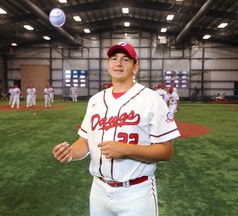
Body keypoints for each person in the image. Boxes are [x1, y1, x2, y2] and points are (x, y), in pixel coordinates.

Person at [53, 42, 180, 216]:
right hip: (98, 190)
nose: (118, 63)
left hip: (136, 192)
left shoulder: (151, 99)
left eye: (125, 59)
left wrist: (126, 150)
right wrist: (70, 153)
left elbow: (166, 152)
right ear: (108, 65)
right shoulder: (95, 100)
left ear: (135, 67)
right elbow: (84, 142)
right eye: (114, 58)